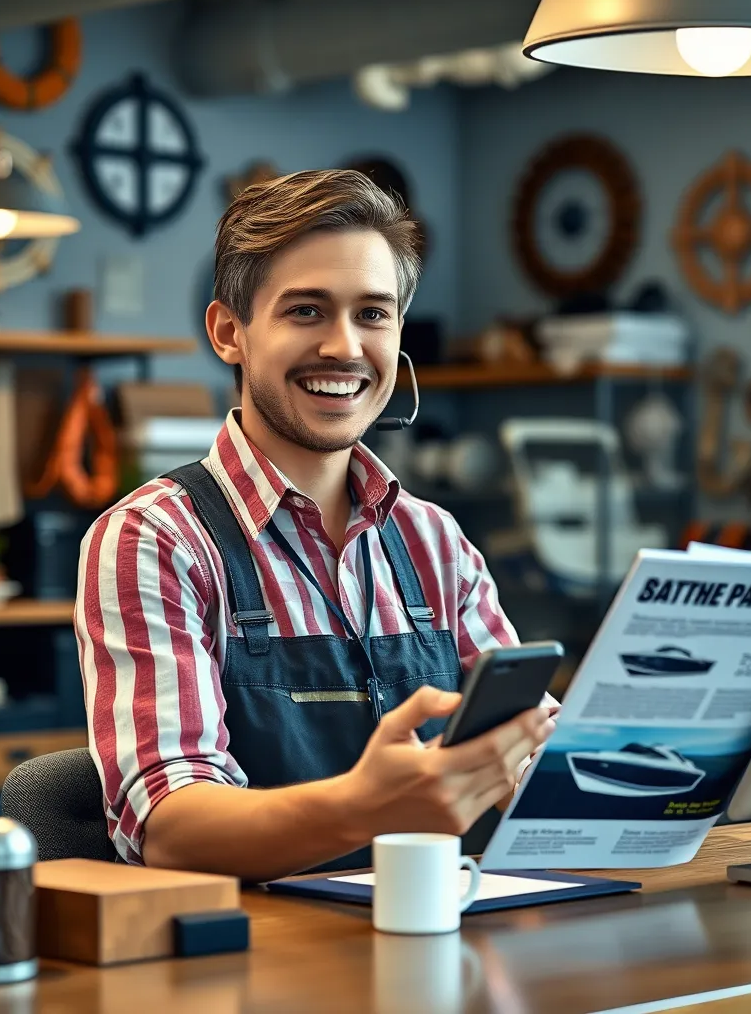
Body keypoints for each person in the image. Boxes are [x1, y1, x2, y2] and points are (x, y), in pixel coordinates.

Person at [75, 170, 557, 882]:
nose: (345, 347)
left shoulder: (435, 543)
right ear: (228, 333)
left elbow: (535, 757)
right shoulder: (154, 540)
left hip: (443, 941)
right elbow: (170, 826)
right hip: (256, 967)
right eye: (306, 311)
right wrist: (364, 806)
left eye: (373, 314)